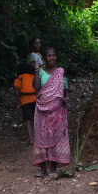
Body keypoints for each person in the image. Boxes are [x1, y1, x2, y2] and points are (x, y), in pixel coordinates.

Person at [32, 47, 70, 178]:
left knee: (55, 136)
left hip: (57, 109)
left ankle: (53, 168)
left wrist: (65, 99)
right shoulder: (41, 72)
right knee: (41, 136)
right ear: (45, 58)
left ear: (56, 57)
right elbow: (36, 87)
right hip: (42, 109)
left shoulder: (60, 72)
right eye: (49, 56)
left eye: (54, 55)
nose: (52, 58)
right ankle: (42, 169)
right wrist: (36, 69)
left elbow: (65, 88)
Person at [12, 62, 36, 147]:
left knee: (28, 119)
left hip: (25, 101)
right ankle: (31, 136)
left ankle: (31, 139)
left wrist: (19, 100)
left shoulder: (19, 79)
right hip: (34, 99)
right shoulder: (33, 76)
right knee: (34, 118)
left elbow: (16, 91)